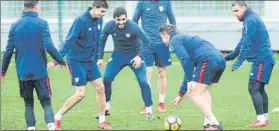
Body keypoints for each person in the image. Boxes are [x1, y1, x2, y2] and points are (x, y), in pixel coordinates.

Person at [1, 0, 66, 130]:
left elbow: (8, 51)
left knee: (28, 104)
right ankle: (51, 126)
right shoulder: (42, 24)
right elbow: (49, 46)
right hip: (40, 71)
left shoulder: (15, 25)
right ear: (36, 6)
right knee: (46, 102)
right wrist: (61, 60)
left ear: (23, 7)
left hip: (23, 72)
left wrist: (3, 71)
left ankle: (31, 128)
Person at [47, 0, 112, 130]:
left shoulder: (99, 20)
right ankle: (57, 117)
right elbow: (69, 41)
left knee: (100, 88)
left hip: (90, 61)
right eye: (102, 11)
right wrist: (56, 60)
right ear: (94, 8)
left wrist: (99, 57)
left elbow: (98, 40)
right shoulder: (80, 21)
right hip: (76, 61)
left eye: (105, 12)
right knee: (80, 94)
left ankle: (102, 121)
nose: (103, 14)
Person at [159, 24, 225, 130]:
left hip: (208, 59)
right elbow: (188, 68)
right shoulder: (184, 39)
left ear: (165, 36)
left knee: (193, 93)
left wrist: (190, 81)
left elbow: (185, 60)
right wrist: (180, 94)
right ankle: (208, 123)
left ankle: (216, 124)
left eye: (161, 37)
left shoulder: (173, 41)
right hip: (220, 59)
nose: (162, 40)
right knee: (204, 91)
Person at [96, 7, 154, 121]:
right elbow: (102, 39)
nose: (121, 22)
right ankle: (107, 107)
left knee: (143, 81)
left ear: (126, 18)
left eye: (123, 19)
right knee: (107, 78)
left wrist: (139, 56)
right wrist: (100, 57)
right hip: (118, 56)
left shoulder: (133, 26)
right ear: (114, 19)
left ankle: (149, 110)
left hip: (135, 56)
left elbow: (147, 41)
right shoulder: (109, 26)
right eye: (118, 20)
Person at [225, 1, 275, 128]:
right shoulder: (250, 19)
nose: (235, 14)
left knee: (253, 88)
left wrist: (238, 63)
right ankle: (264, 119)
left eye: (237, 11)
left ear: (244, 8)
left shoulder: (250, 20)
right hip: (264, 59)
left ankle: (261, 119)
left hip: (261, 60)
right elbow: (243, 41)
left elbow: (247, 43)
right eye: (233, 12)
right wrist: (231, 56)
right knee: (259, 89)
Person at [132, 0, 176, 113]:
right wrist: (138, 37)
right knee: (147, 75)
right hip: (146, 45)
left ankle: (161, 103)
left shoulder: (166, 2)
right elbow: (134, 21)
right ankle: (147, 104)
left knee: (162, 73)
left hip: (162, 44)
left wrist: (171, 37)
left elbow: (172, 20)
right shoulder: (141, 3)